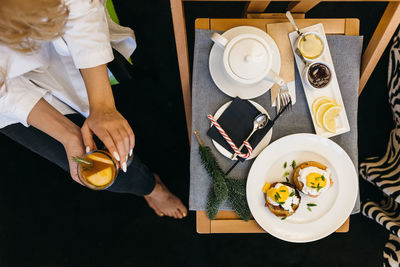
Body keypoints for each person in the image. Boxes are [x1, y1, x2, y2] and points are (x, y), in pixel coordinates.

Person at [0, 0, 187, 219]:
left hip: (58, 42)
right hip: (8, 96)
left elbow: (82, 10)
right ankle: (150, 187)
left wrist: (103, 106)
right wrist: (68, 135)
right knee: (106, 171)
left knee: (114, 142)